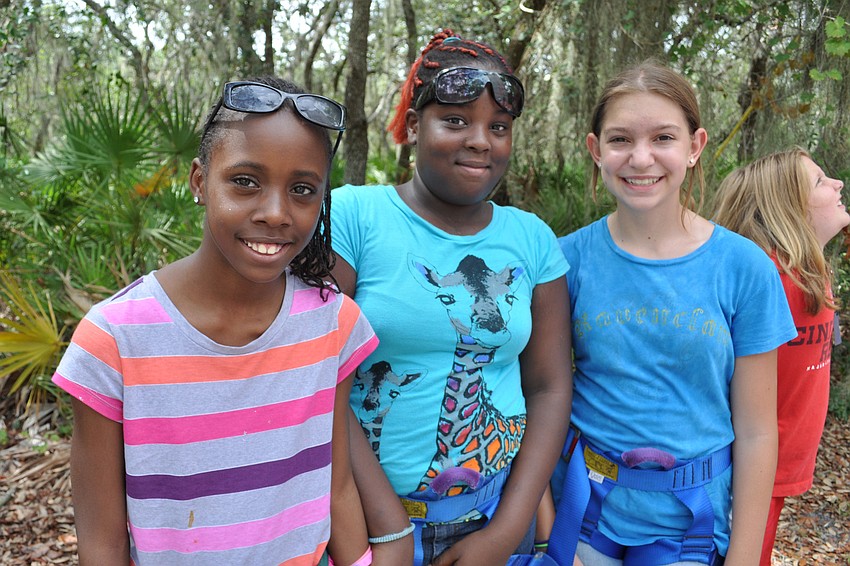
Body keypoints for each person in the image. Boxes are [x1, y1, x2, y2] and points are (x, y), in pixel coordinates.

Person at [53, 76, 377, 566]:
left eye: (303, 189)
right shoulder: (113, 339)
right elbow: (102, 542)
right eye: (245, 181)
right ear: (200, 181)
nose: (275, 213)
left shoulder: (334, 323)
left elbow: (336, 487)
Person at [330, 28, 572, 566]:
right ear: (415, 126)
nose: (481, 141)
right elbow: (317, 378)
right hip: (364, 527)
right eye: (456, 121)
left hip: (492, 518)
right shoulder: (352, 217)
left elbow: (550, 385)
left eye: (499, 127)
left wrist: (506, 530)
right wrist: (388, 528)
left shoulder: (532, 239)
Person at [547, 61, 797, 566]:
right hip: (583, 518)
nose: (641, 159)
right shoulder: (564, 261)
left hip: (690, 530)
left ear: (694, 146)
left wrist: (745, 556)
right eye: (620, 140)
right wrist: (545, 530)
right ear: (596, 151)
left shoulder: (743, 268)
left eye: (663, 137)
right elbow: (540, 397)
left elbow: (756, 429)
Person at [713, 148, 849, 565]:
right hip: (745, 471)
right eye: (821, 181)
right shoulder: (767, 276)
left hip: (780, 465)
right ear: (786, 208)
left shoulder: (812, 272)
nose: (838, 184)